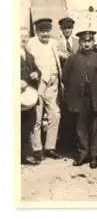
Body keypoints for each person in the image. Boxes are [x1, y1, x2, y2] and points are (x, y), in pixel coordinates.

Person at [62, 30, 97, 169]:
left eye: (89, 41)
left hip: (94, 98)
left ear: (93, 42)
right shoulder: (73, 58)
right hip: (78, 99)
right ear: (80, 43)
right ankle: (83, 154)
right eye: (84, 41)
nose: (86, 44)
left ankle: (94, 156)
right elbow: (65, 77)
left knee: (94, 127)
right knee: (80, 127)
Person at [26, 18, 63, 161]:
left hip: (53, 84)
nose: (45, 34)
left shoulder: (53, 43)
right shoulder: (31, 44)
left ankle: (50, 147)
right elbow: (28, 64)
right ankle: (37, 149)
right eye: (42, 31)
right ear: (37, 31)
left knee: (55, 115)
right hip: (38, 84)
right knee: (37, 117)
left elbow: (58, 58)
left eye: (47, 31)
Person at [56, 17, 80, 154]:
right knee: (64, 110)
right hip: (62, 81)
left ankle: (77, 142)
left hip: (76, 81)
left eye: (69, 28)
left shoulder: (77, 42)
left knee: (75, 110)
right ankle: (65, 143)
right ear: (61, 29)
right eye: (65, 28)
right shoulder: (56, 43)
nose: (67, 31)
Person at [20, 27, 41, 165]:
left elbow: (36, 69)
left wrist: (36, 74)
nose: (24, 38)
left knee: (29, 122)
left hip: (28, 96)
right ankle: (23, 154)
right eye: (21, 36)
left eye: (26, 36)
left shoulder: (29, 55)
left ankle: (25, 153)